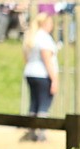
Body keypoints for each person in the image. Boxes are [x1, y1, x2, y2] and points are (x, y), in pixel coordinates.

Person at [22, 12, 59, 142]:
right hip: (42, 74)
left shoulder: (32, 36)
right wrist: (54, 79)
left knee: (34, 104)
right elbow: (47, 59)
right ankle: (42, 133)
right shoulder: (44, 38)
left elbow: (25, 57)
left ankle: (31, 132)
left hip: (30, 72)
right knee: (44, 104)